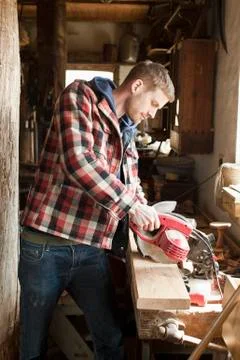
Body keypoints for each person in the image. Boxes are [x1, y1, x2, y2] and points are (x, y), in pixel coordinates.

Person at [19, 60, 175, 360]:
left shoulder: (126, 129)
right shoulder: (79, 97)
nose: (152, 114)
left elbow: (130, 182)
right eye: (154, 103)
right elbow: (79, 162)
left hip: (91, 248)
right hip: (46, 247)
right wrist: (130, 205)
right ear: (137, 86)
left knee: (110, 337)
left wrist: (144, 208)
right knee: (33, 345)